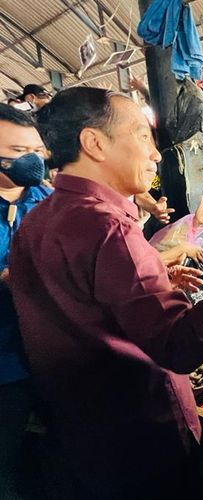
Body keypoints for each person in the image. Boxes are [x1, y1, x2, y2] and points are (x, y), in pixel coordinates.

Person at [11, 87, 203, 498]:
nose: (155, 154)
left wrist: (155, 277)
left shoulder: (36, 220)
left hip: (82, 439)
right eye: (141, 135)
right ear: (94, 143)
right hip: (142, 439)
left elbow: (77, 306)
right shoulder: (109, 228)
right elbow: (182, 343)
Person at [0, 104, 51, 499]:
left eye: (35, 149)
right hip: (5, 360)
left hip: (52, 353)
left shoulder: (46, 196)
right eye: (18, 152)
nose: (31, 161)